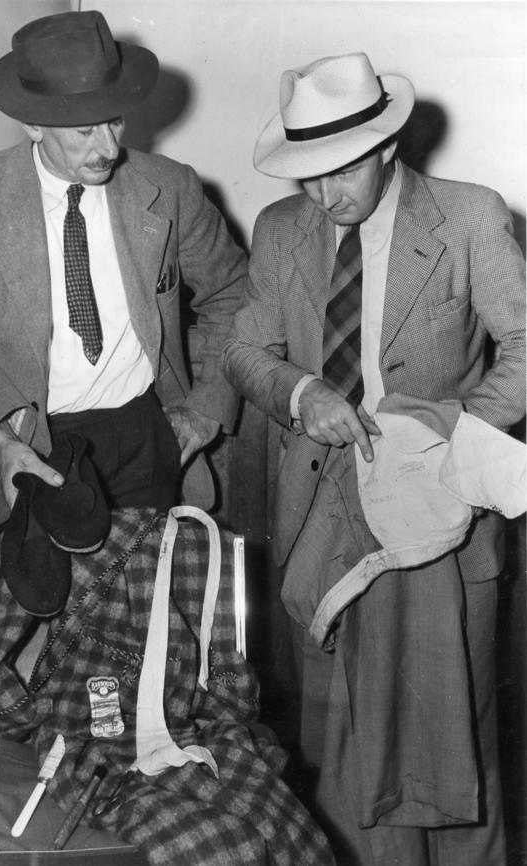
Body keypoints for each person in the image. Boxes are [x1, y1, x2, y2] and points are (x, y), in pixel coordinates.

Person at [222, 52, 525, 866]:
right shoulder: (282, 232)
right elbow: (245, 349)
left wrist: (452, 443)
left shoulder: (468, 217)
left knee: (452, 743)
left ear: (388, 145)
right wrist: (298, 393)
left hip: (441, 525)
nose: (324, 196)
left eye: (341, 170)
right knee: (338, 738)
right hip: (321, 524)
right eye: (306, 176)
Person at [0, 9, 247, 543]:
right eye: (84, 131)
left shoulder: (170, 187)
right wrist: (5, 444)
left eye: (115, 120)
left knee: (141, 618)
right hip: (32, 439)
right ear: (33, 125)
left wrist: (205, 411)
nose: (109, 148)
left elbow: (235, 294)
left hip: (147, 433)